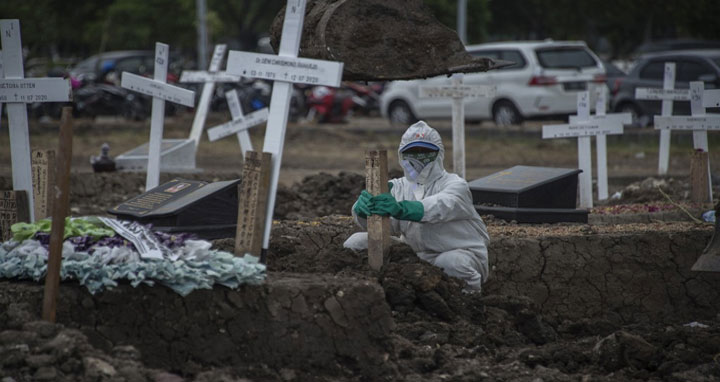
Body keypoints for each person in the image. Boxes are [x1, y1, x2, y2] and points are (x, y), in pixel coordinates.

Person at [344, 120, 490, 293]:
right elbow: (387, 226)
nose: (418, 157)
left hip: (461, 253)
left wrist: (402, 209)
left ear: (439, 153)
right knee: (356, 242)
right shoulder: (396, 187)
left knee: (452, 263)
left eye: (425, 151)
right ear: (402, 155)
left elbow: (441, 206)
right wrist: (363, 211)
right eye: (412, 152)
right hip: (414, 258)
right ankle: (369, 293)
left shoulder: (455, 185)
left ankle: (467, 302)